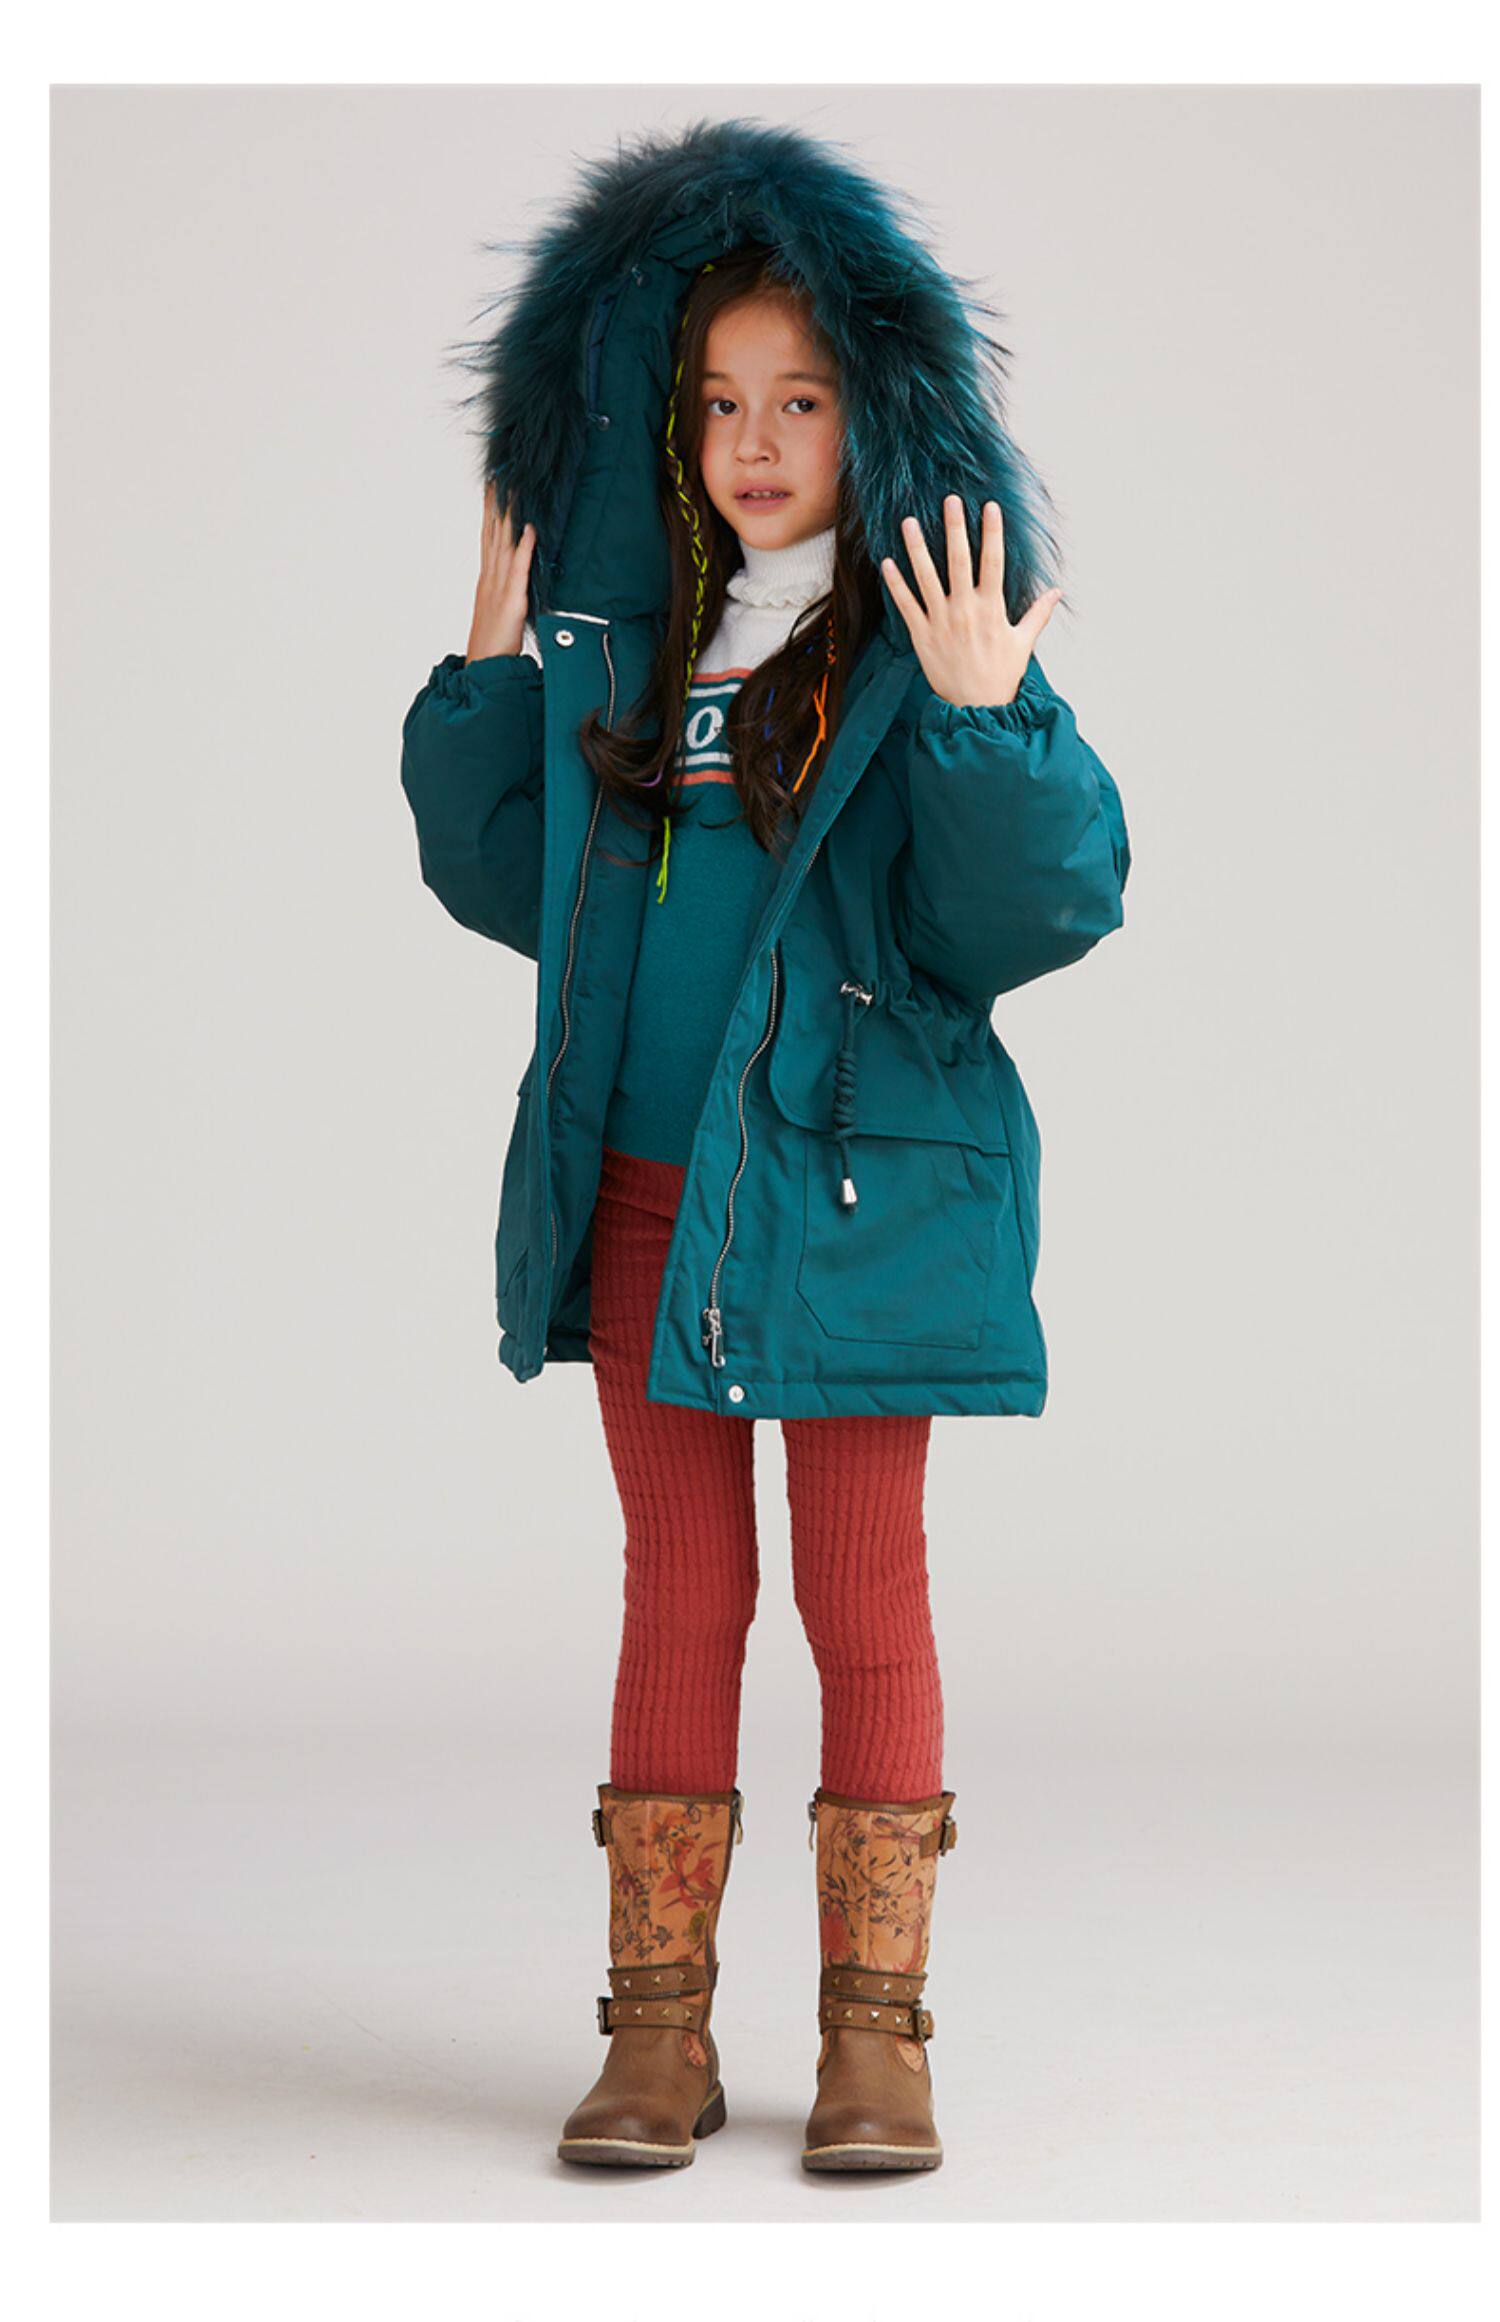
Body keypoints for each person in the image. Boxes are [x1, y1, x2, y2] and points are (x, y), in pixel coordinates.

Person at [400, 117, 1131, 2176]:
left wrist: (989, 718)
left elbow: (1031, 911)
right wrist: (487, 679)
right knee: (681, 1587)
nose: (755, 439)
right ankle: (657, 2032)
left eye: (799, 398)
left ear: (872, 412)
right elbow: (517, 889)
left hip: (850, 1199)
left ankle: (875, 2040)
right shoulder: (641, 655)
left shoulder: (917, 652)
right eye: (718, 400)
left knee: (861, 1591)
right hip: (649, 1200)